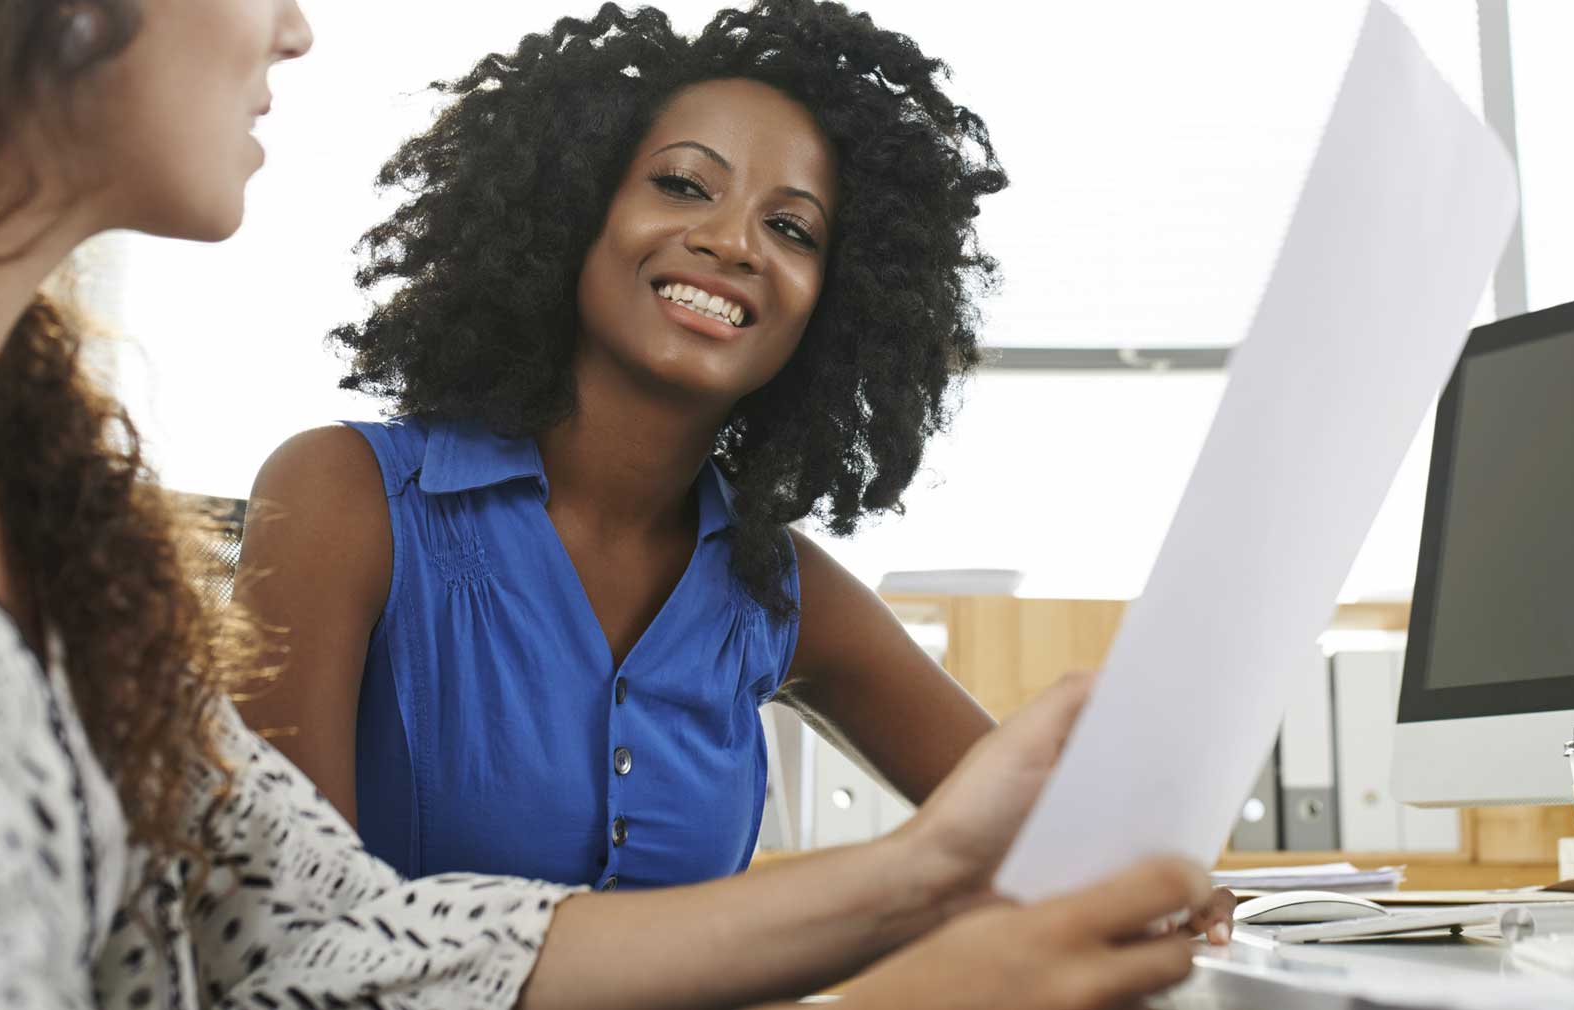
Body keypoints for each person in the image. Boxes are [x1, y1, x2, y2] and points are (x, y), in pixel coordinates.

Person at [0, 2, 1219, 1008]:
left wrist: (928, 872)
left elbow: (339, 940)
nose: (297, 26)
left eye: (792, 229)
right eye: (685, 187)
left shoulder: (49, 505)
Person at [235, 1, 1003, 897]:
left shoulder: (783, 591)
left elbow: (1066, 831)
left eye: (792, 229)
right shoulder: (345, 498)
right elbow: (279, 930)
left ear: (833, 305)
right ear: (573, 207)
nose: (731, 241)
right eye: (682, 184)